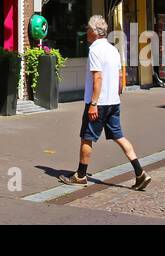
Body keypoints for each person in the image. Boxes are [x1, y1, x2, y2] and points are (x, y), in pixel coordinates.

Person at [62, 15, 152, 191]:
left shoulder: (95, 50)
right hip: (113, 102)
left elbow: (97, 78)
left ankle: (80, 175)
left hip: (99, 103)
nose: (86, 32)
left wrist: (94, 104)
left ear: (94, 32)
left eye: (88, 29)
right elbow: (119, 77)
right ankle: (140, 173)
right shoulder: (113, 50)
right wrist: (115, 93)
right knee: (119, 137)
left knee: (87, 138)